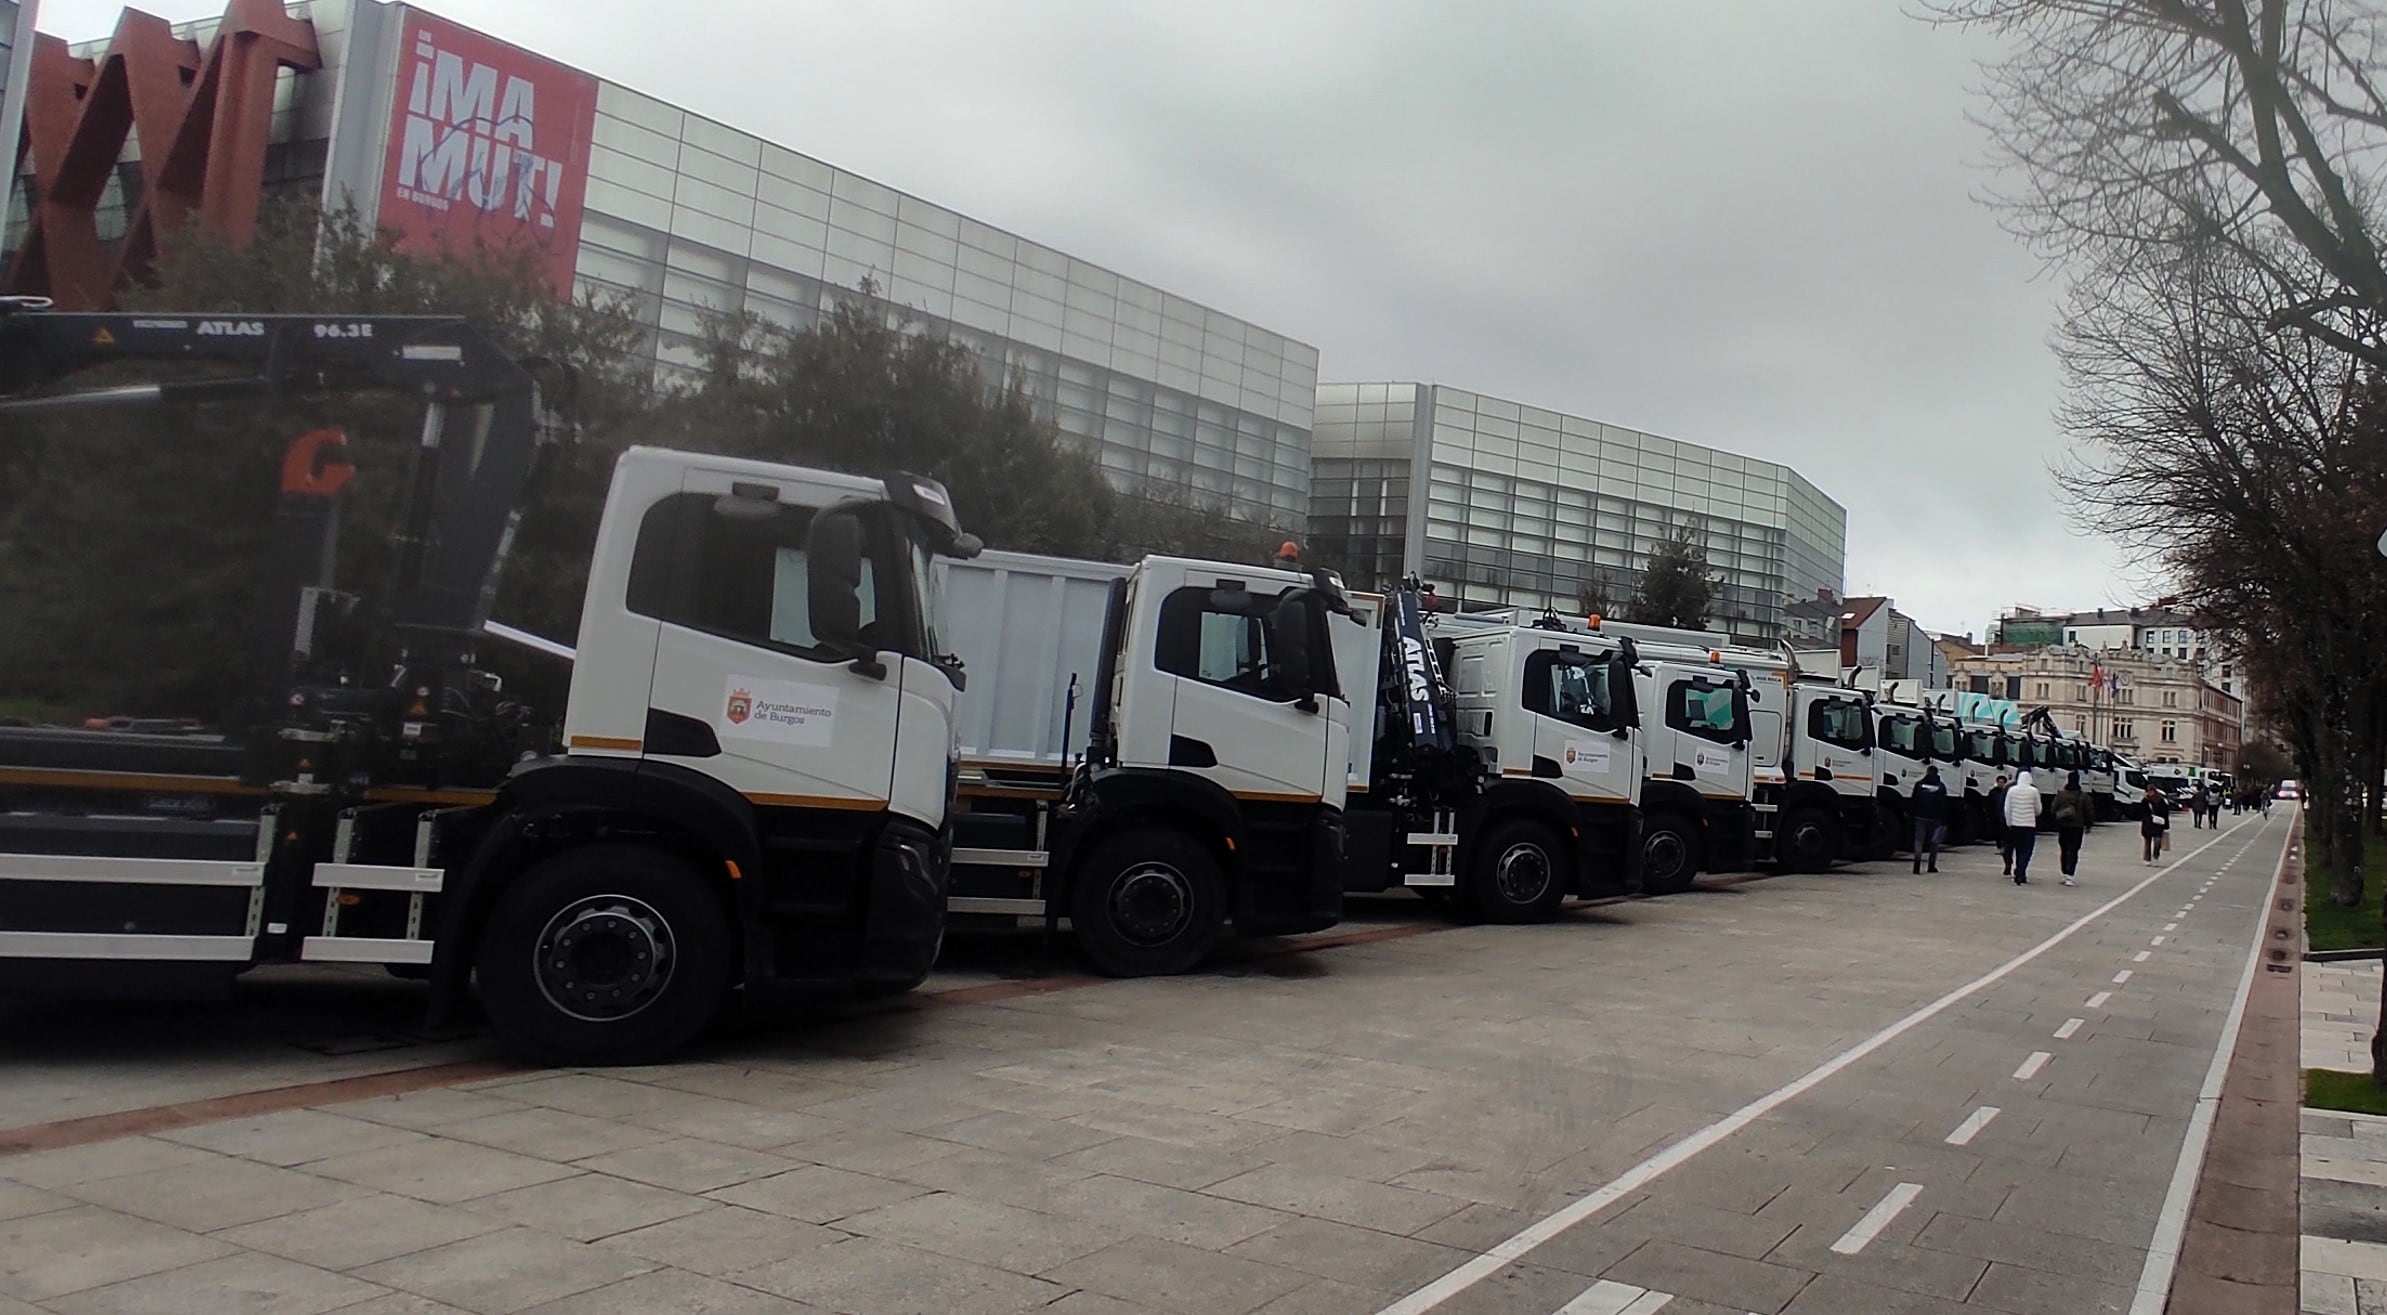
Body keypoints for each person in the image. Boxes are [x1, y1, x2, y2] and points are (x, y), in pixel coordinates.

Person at [2004, 768, 2043, 885]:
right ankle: (2021, 870)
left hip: (2015, 825)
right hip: (2029, 825)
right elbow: (2038, 808)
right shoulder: (2034, 791)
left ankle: (2018, 869)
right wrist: (2034, 815)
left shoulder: (2011, 790)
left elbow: (2007, 809)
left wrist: (2009, 822)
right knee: (2027, 851)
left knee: (2018, 849)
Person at [2051, 771, 2089, 887]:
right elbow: (2089, 811)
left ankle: (2064, 872)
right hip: (2077, 827)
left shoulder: (2061, 795)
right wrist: (2088, 824)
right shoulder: (2083, 796)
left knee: (2064, 849)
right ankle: (2070, 874)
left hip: (2063, 826)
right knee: (2074, 851)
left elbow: (2053, 809)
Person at [1911, 764, 1950, 874]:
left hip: (1919, 816)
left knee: (1919, 841)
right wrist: (1944, 819)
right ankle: (1931, 866)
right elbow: (1943, 804)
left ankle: (1916, 866)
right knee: (1934, 842)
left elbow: (1914, 801)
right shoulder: (1940, 786)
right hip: (1935, 818)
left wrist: (1911, 814)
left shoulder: (1919, 784)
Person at [1987, 773, 2013, 875]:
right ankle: (2003, 853)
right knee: (1998, 837)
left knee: (2005, 840)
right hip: (1995, 817)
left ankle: (2007, 860)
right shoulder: (1993, 792)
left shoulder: (2008, 793)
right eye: (1999, 782)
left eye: (2003, 782)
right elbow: (1989, 804)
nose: (2001, 784)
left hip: (2005, 820)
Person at [2142, 786, 2172, 862]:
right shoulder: (2145, 801)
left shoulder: (2160, 801)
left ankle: (2156, 856)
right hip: (2148, 824)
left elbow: (2165, 813)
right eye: (2148, 791)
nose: (2150, 793)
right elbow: (2141, 812)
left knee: (2157, 842)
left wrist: (2166, 826)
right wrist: (2144, 800)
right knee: (2147, 843)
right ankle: (2147, 859)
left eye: (2151, 791)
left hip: (2158, 825)